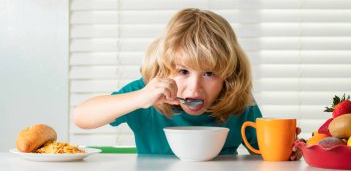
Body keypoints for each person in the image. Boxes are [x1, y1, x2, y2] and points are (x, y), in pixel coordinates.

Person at [73, 8, 302, 160]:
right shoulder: (145, 95)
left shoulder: (239, 102)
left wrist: (289, 151)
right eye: (183, 71)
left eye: (209, 73)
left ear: (229, 75)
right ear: (165, 68)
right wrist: (138, 98)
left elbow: (264, 153)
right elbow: (81, 117)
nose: (194, 88)